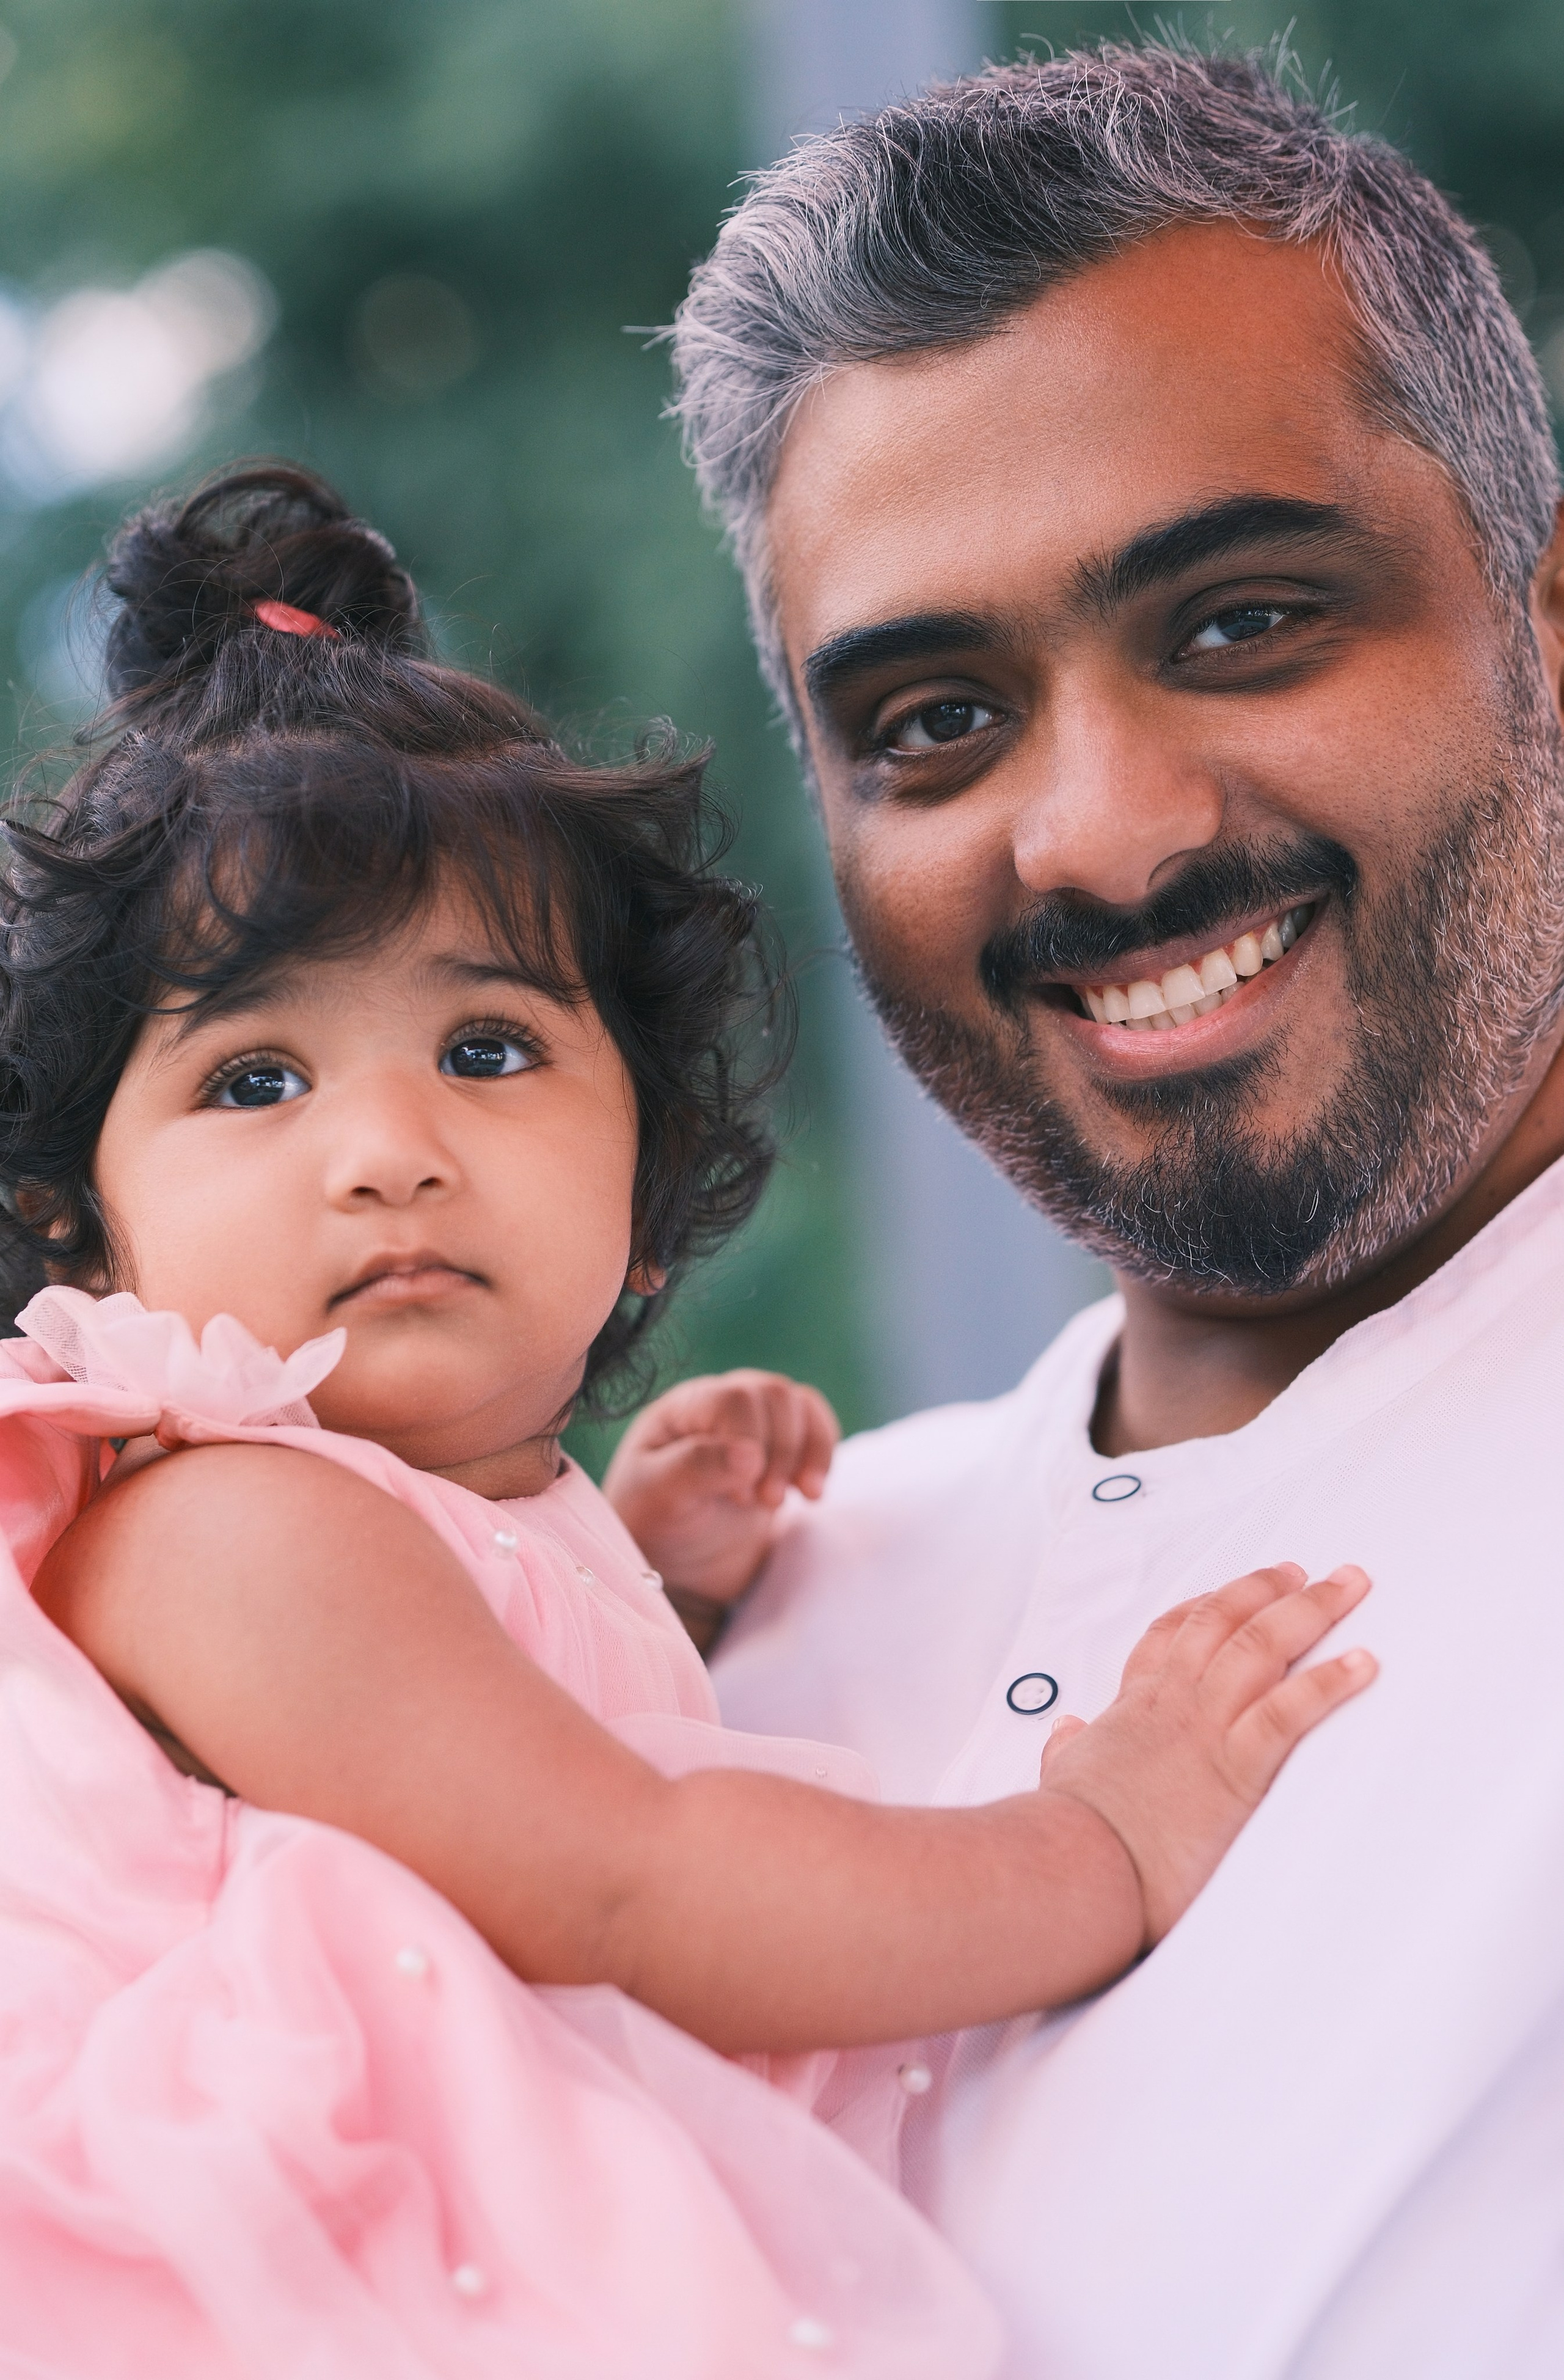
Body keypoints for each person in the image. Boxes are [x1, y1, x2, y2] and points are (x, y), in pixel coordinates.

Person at [0, 463, 1370, 2376]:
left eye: (487, 1052)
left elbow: (451, 1754)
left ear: (641, 1179)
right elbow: (615, 1868)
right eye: (255, 1079)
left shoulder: (394, 1533)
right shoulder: (221, 1523)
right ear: (84, 1222)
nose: (388, 1153)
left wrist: (657, 1585)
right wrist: (1097, 1851)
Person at [668, 36, 1564, 2380]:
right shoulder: (738, 1619)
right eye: (938, 722)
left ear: (1548, 629)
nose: (1103, 837)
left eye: (1244, 619)